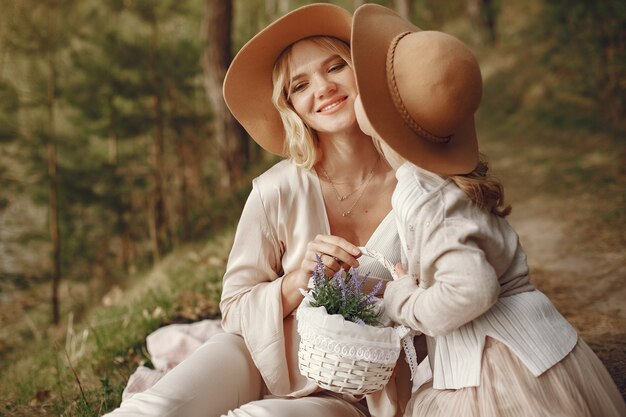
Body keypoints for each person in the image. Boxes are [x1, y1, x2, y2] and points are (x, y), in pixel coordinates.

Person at [104, 4, 413, 417]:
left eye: (336, 66)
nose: (322, 88)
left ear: (362, 71)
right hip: (258, 355)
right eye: (300, 85)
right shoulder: (276, 191)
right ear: (291, 106)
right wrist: (297, 281)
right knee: (155, 410)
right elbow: (234, 308)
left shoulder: (417, 184)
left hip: (352, 395)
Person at [350, 4, 626, 417]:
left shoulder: (428, 198)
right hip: (536, 349)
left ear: (377, 118)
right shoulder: (434, 183)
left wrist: (400, 298)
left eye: (365, 87)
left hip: (496, 371)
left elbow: (472, 289)